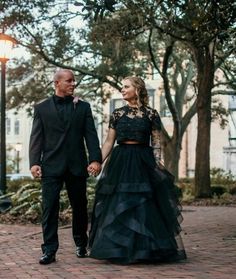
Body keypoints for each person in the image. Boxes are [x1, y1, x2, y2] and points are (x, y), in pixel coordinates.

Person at [89, 76, 187, 264]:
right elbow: (109, 142)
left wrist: (157, 165)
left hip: (143, 159)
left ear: (137, 89)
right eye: (122, 87)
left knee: (144, 204)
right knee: (121, 201)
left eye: (126, 87)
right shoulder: (117, 114)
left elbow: (157, 144)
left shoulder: (151, 114)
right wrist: (97, 162)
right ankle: (119, 249)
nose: (122, 90)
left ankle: (145, 250)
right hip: (121, 160)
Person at [29, 69, 102, 265]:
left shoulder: (83, 107)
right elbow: (36, 137)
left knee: (79, 206)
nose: (73, 84)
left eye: (74, 81)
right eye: (69, 81)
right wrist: (34, 162)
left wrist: (95, 159)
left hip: (77, 165)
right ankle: (49, 250)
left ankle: (81, 243)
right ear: (57, 83)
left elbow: (91, 136)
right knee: (49, 208)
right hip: (51, 166)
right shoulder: (42, 108)